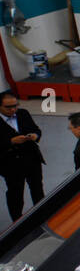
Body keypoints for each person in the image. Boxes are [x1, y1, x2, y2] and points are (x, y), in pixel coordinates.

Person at [0, 90, 44, 222]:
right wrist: (10, 142)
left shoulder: (23, 114)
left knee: (37, 188)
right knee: (16, 193)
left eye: (15, 105)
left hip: (31, 159)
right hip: (10, 164)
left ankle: (42, 214)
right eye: (8, 107)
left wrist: (35, 136)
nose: (13, 109)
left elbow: (36, 129)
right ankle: (17, 221)